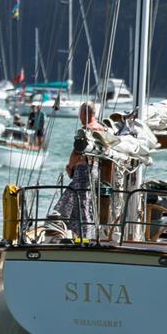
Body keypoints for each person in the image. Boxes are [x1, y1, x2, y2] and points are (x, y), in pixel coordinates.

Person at [53, 102, 105, 237]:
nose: (79, 116)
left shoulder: (87, 129)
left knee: (81, 205)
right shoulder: (102, 129)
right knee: (84, 202)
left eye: (80, 112)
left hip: (83, 170)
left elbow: (77, 152)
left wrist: (70, 167)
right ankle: (78, 234)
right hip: (95, 169)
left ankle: (84, 237)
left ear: (85, 113)